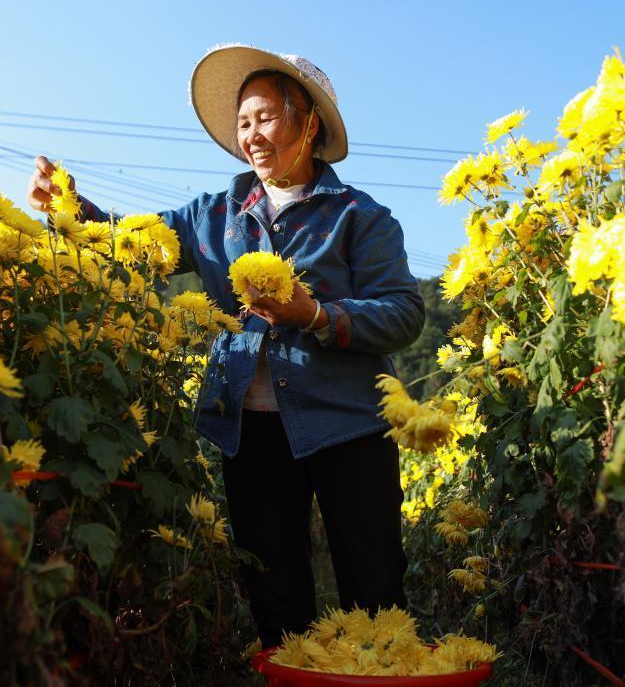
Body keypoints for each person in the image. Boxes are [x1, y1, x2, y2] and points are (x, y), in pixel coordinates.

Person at [27, 45, 425, 648]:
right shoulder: (212, 216)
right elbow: (135, 245)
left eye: (265, 118)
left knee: (374, 593)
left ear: (309, 122)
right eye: (243, 123)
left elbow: (402, 312)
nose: (252, 136)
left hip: (350, 431)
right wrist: (71, 209)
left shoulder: (360, 218)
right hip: (255, 435)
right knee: (275, 598)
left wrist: (316, 314)